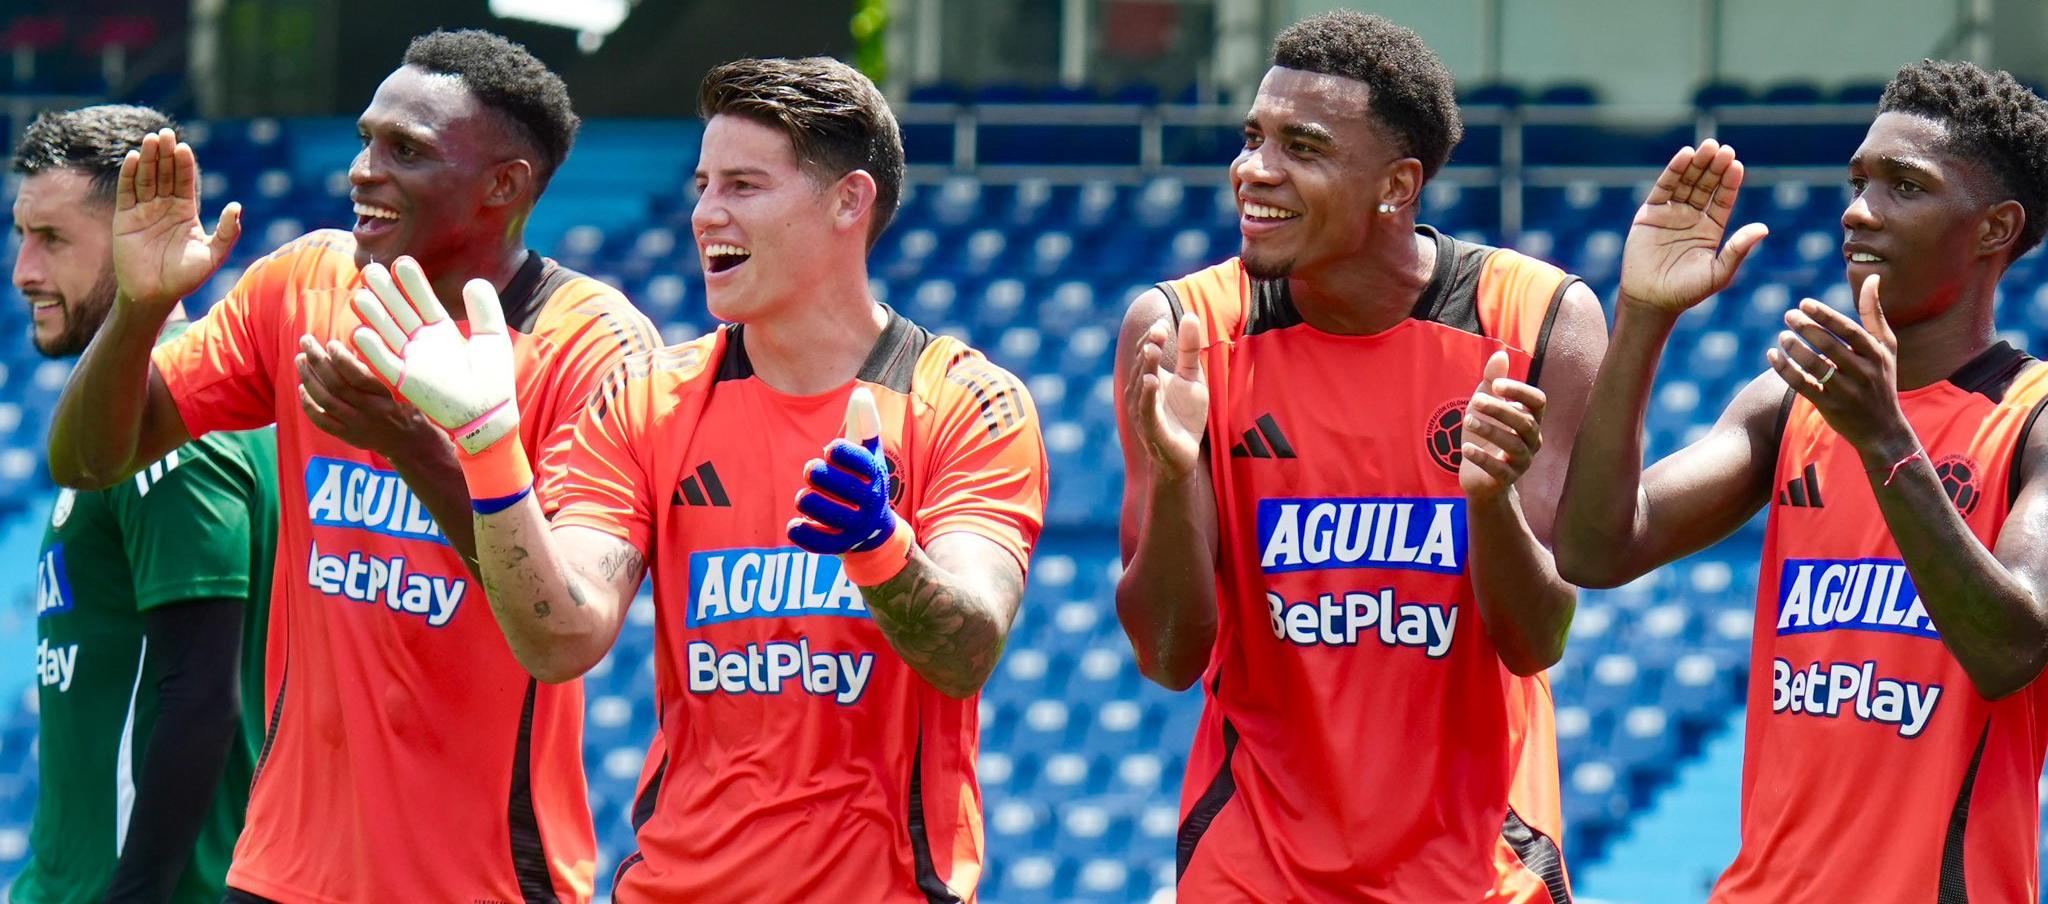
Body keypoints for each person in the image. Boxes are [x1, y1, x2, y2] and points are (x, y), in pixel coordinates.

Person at [349, 56, 1047, 901]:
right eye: (703, 183)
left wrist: (879, 547)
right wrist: (490, 449)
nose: (706, 213)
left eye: (745, 186)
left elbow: (968, 650)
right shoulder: (648, 402)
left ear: (848, 202)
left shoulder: (969, 402)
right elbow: (561, 636)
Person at [44, 30, 657, 903]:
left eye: (405, 150)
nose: (363, 169)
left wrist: (422, 451)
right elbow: (87, 458)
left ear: (504, 186)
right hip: (281, 871)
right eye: (368, 139)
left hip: (484, 879)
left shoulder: (591, 345)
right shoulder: (304, 286)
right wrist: (140, 310)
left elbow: (564, 633)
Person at [1114, 11, 1604, 902]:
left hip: (1478, 871)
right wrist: (1178, 471)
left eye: (1302, 146)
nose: (1253, 171)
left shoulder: (1537, 322)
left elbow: (1534, 641)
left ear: (1397, 185)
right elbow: (1169, 655)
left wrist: (1488, 502)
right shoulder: (1184, 334)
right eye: (1252, 137)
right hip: (1252, 867)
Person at [1555, 59, 2048, 902]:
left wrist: (1887, 440)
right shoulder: (1791, 403)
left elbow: (2010, 648)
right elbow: (1597, 548)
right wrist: (1643, 314)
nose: (1859, 210)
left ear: (1995, 228)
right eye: (1858, 181)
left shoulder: (2032, 417)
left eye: (1904, 185)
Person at [8, 105, 276, 904]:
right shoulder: (125, 418)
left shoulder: (173, 430)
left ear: (133, 235)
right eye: (21, 235)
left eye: (52, 240)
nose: (23, 269)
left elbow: (204, 691)